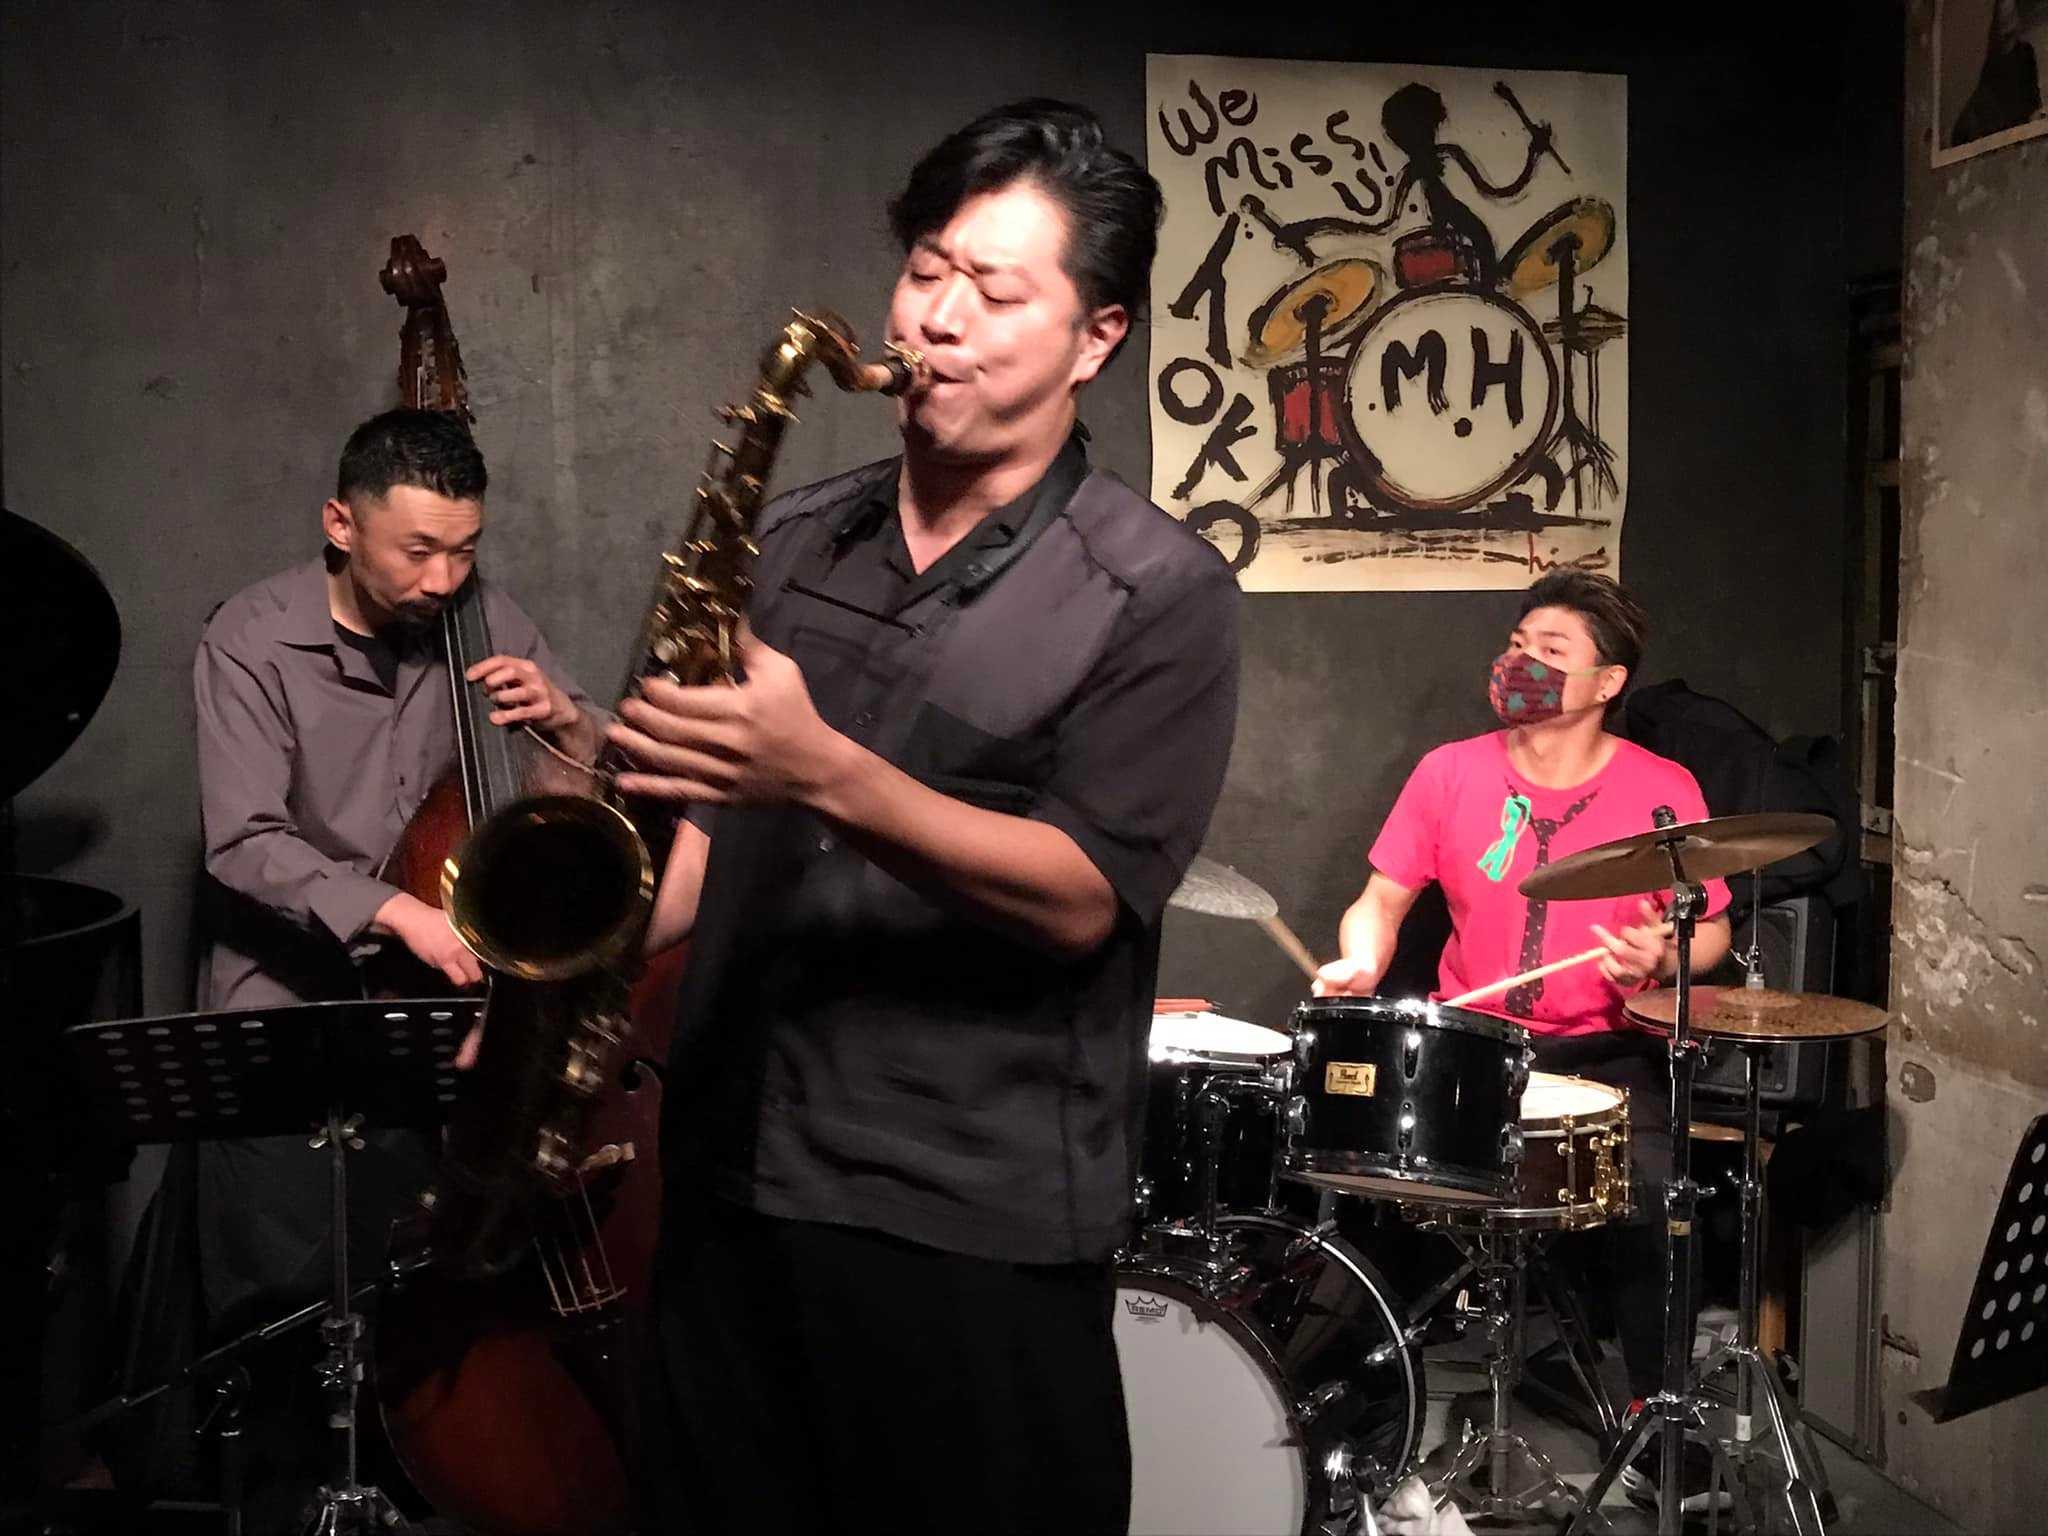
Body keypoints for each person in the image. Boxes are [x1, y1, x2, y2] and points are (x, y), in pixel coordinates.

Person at [612, 100, 1241, 1534]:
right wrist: (553, 981)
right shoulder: (784, 542)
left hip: (962, 1223)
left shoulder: (1160, 593)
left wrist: (824, 771)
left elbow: (1082, 892)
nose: (937, 320)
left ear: (1096, 337)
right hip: (724, 1179)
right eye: (924, 272)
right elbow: (705, 833)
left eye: (994, 292)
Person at [188, 406, 600, 1519]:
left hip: (444, 1027)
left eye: (464, 548)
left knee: (430, 1314)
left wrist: (568, 722)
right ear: (341, 523)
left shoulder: (484, 616)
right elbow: (242, 843)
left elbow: (577, 797)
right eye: (418, 550)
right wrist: (395, 911)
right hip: (289, 1022)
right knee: (283, 1325)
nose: (444, 578)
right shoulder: (249, 639)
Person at [1316, 570, 1733, 1519]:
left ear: (1607, 682)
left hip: (1609, 1051)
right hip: (1476, 1046)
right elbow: (1381, 901)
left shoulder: (1662, 789)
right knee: (1374, 1198)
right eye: (1517, 643)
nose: (1521, 662)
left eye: (1551, 650)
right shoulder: (1449, 772)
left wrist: (1665, 957)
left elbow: (1711, 930)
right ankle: (1365, 1423)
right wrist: (1362, 960)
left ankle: (1657, 1421)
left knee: (1657, 1202)